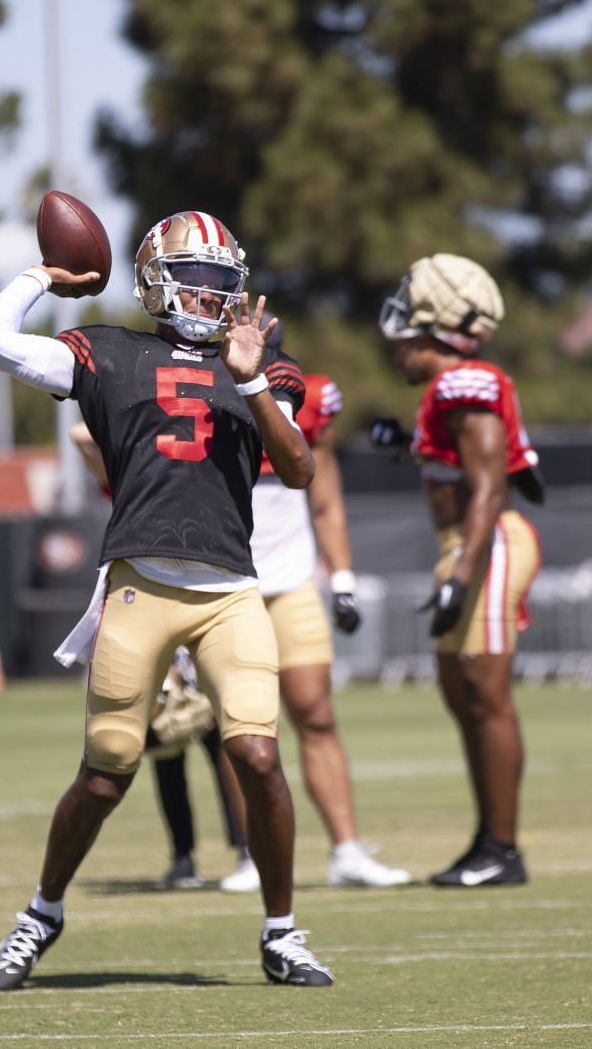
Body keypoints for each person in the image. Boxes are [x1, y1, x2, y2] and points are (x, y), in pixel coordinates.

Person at [0, 210, 335, 989]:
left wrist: (249, 375)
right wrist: (45, 276)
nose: (208, 295)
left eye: (219, 281)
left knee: (259, 754)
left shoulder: (266, 360)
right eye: (193, 279)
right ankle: (42, 911)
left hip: (231, 590)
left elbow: (299, 470)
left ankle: (281, 930)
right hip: (140, 582)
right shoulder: (110, 351)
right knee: (108, 767)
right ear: (156, 283)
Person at [219, 320, 409, 893]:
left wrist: (343, 579)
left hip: (294, 582)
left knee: (316, 716)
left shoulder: (309, 398)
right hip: (229, 588)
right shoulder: (202, 388)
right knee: (242, 730)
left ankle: (346, 849)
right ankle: (254, 856)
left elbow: (325, 503)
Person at [374, 253, 542, 887]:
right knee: (461, 693)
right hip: (467, 543)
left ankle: (503, 848)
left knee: (488, 696)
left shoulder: (461, 384)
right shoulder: (447, 393)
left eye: (410, 338)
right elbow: (461, 463)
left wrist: (461, 573)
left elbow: (491, 484)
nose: (399, 349)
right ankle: (486, 839)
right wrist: (406, 448)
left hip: (485, 543)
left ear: (433, 332)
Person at [70, 422, 248, 889]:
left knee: (219, 734)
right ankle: (184, 856)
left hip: (206, 601)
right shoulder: (138, 482)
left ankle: (246, 850)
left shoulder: (210, 483)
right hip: (151, 606)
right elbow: (79, 433)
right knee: (166, 739)